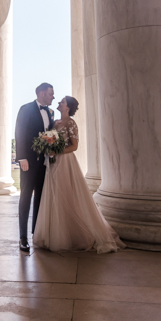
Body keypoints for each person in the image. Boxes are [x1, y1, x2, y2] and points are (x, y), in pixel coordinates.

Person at [33, 96, 125, 253]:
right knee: (54, 195)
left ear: (68, 107)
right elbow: (49, 140)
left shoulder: (71, 123)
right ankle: (56, 232)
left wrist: (56, 151)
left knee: (67, 195)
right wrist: (47, 148)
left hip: (66, 162)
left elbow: (74, 146)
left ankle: (75, 234)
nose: (59, 103)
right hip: (53, 163)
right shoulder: (54, 123)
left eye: (62, 102)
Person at [15, 83, 55, 252]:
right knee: (25, 198)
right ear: (41, 93)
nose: (53, 96)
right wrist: (22, 157)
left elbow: (50, 136)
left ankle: (36, 234)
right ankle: (23, 237)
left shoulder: (51, 113)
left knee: (40, 197)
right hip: (29, 162)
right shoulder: (26, 109)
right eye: (51, 94)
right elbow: (20, 132)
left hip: (45, 163)